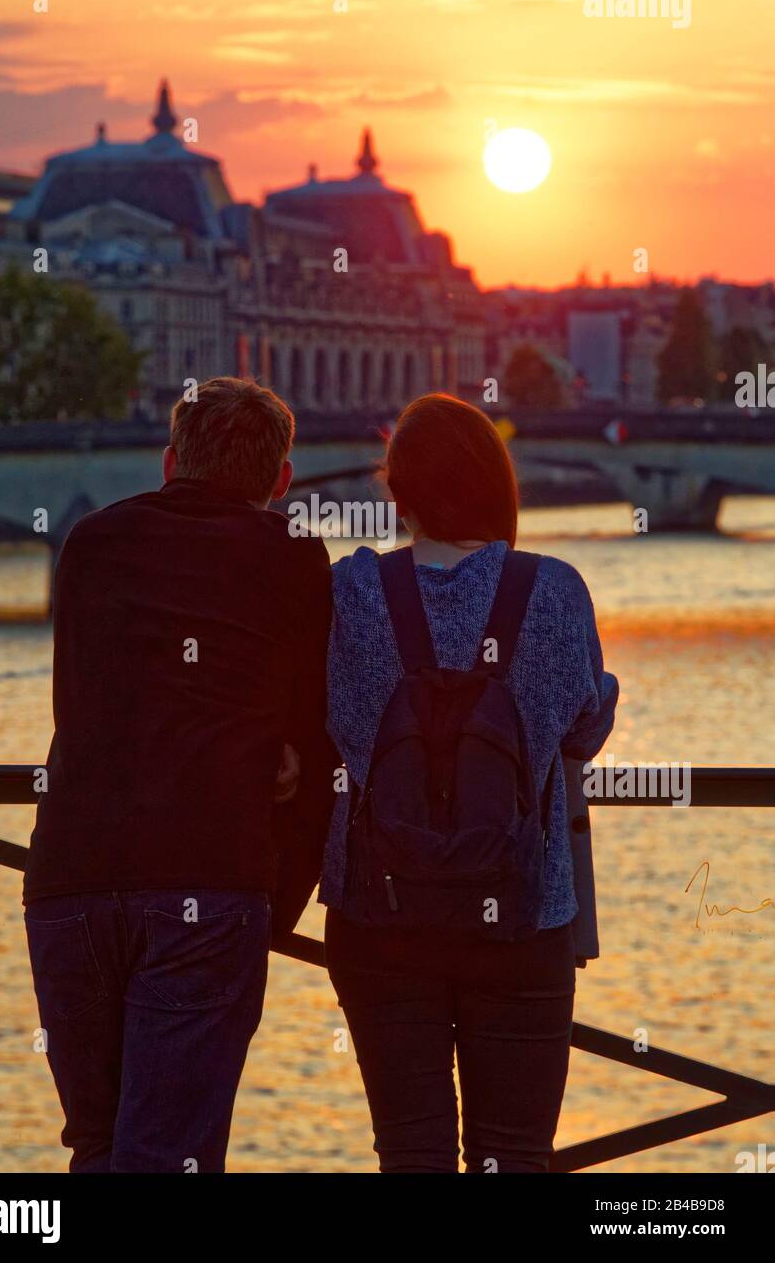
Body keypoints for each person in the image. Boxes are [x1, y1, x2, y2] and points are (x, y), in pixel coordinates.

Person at [23, 377, 334, 1173]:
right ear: (281, 479)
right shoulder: (294, 557)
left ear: (168, 462)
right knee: (170, 1154)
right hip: (209, 877)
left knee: (97, 1146)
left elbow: (82, 709)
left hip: (70, 879)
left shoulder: (89, 544)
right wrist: (277, 909)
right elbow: (317, 739)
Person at [319, 392, 618, 1173]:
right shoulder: (554, 591)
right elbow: (585, 725)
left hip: (382, 919)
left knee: (411, 1155)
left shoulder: (351, 594)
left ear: (399, 495)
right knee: (514, 1156)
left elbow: (326, 725)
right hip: (521, 919)